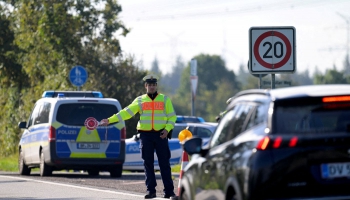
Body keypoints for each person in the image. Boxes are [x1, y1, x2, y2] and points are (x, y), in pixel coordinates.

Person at [100, 74, 177, 199]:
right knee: (148, 163)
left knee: (164, 164)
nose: (151, 87)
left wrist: (167, 130)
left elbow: (172, 117)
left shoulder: (164, 99)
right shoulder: (140, 100)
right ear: (145, 86)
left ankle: (169, 191)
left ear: (156, 86)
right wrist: (109, 120)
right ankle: (151, 191)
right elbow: (126, 113)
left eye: (153, 85)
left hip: (161, 135)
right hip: (146, 135)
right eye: (149, 85)